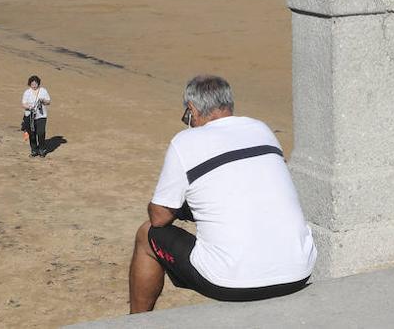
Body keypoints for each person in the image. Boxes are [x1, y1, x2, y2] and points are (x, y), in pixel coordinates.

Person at [128, 75, 315, 313]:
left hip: (229, 282)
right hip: (298, 271)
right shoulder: (262, 129)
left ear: (192, 110)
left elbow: (160, 217)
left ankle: (134, 323)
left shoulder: (185, 141)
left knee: (147, 234)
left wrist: (186, 209)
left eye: (188, 117)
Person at [22, 75, 52, 158]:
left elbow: (48, 101)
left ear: (38, 83)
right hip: (30, 116)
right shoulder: (27, 92)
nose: (34, 85)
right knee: (32, 133)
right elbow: (23, 104)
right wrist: (29, 107)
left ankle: (42, 149)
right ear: (30, 84)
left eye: (35, 83)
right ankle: (34, 150)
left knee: (41, 132)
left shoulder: (43, 91)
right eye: (32, 84)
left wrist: (43, 101)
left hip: (41, 115)